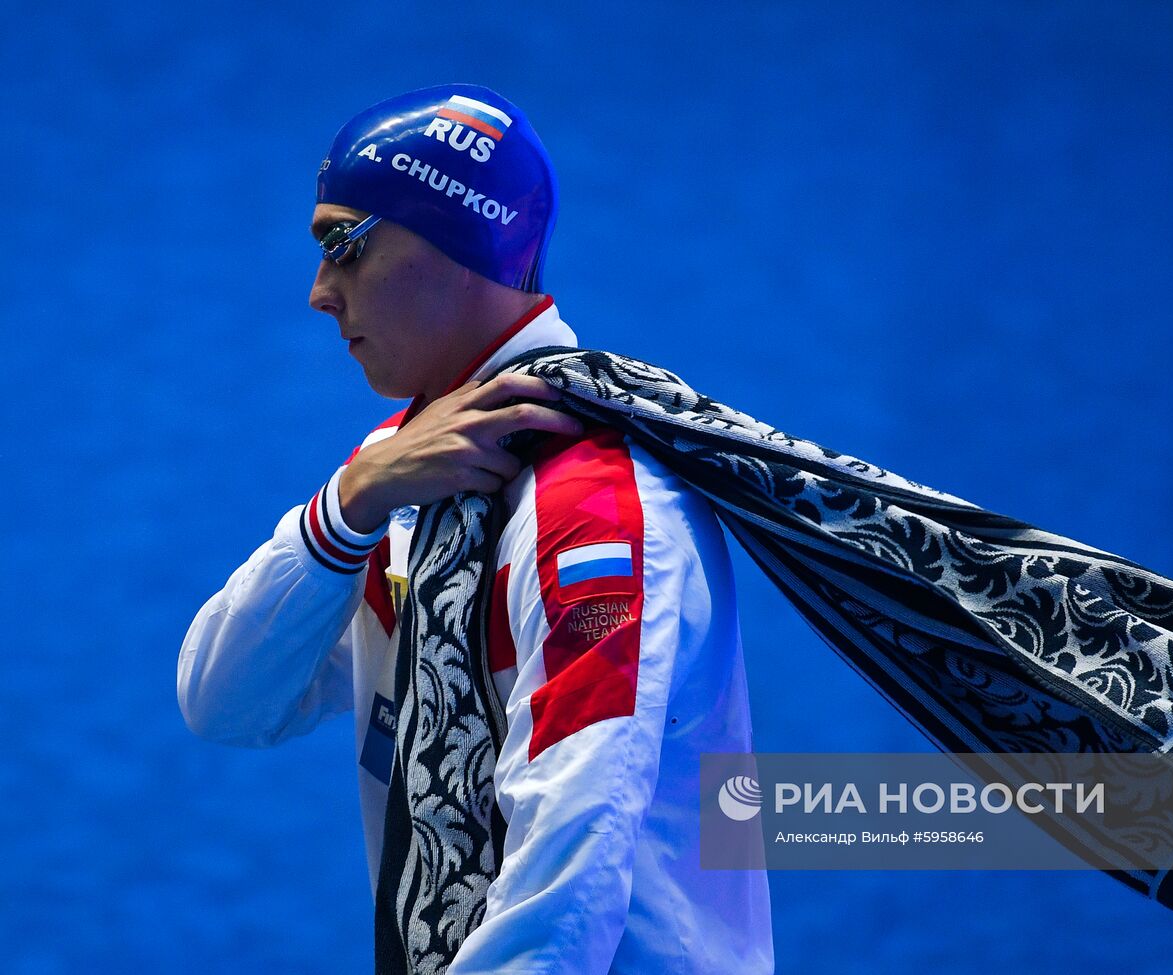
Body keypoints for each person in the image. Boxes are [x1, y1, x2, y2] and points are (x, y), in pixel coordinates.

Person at [177, 84, 774, 974]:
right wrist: (342, 512)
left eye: (343, 245)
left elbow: (570, 866)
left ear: (458, 242)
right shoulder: (407, 475)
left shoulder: (592, 507)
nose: (318, 292)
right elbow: (224, 702)